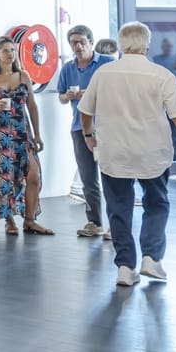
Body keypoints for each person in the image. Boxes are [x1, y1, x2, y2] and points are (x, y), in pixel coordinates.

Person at [79, 22, 176, 286]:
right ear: (147, 44)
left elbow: (85, 109)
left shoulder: (104, 74)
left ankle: (125, 268)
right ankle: (152, 259)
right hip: (153, 152)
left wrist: (89, 135)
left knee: (118, 209)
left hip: (114, 152)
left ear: (121, 44)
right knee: (157, 203)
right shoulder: (161, 75)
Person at [0, 36, 49, 234]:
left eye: (12, 50)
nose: (10, 54)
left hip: (23, 132)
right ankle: (9, 221)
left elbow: (32, 106)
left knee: (33, 176)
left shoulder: (23, 75)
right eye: (5, 50)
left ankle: (30, 220)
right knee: (4, 178)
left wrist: (38, 134)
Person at [56, 25, 115, 237]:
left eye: (82, 41)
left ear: (91, 42)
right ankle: (94, 222)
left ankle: (115, 225)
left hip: (108, 128)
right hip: (80, 128)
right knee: (88, 178)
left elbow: (118, 92)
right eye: (73, 42)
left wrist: (90, 94)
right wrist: (70, 96)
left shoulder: (108, 63)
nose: (78, 46)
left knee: (113, 176)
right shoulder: (68, 69)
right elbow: (61, 96)